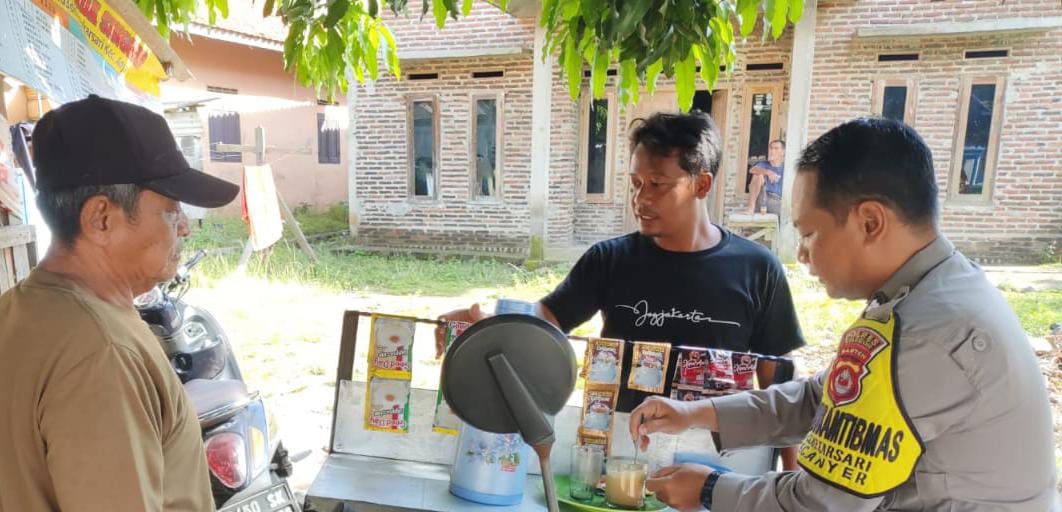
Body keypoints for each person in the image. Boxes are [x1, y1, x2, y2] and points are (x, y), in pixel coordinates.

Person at [630, 117, 1059, 511]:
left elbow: (819, 504)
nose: (802, 254)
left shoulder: (924, 332)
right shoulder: (936, 290)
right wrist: (695, 413)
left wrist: (709, 489)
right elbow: (819, 398)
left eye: (809, 233)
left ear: (870, 222)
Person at [436, 111, 805, 414]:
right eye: (635, 183)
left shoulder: (758, 269)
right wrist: (486, 324)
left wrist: (790, 474)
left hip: (719, 465)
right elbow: (546, 319)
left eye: (657, 184)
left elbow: (780, 387)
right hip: (621, 456)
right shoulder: (610, 260)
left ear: (702, 185)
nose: (640, 199)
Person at [0, 95, 240, 511]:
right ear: (101, 219)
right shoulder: (102, 354)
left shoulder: (18, 310)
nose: (184, 227)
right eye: (170, 210)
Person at [745, 139, 785, 214]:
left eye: (776, 148)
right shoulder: (763, 164)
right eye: (771, 148)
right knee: (758, 175)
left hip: (777, 201)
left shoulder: (786, 167)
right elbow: (752, 170)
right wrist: (768, 172)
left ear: (783, 152)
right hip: (762, 197)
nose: (772, 151)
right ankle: (751, 207)